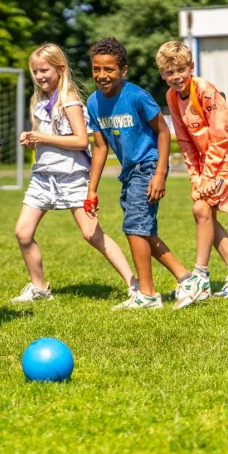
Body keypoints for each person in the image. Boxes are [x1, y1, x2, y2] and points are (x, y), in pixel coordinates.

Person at [11, 43, 135, 304]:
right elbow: (46, 138)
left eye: (44, 70)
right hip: (43, 177)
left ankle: (133, 284)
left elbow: (81, 141)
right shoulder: (39, 100)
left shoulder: (70, 100)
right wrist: (33, 139)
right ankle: (40, 287)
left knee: (92, 234)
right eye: (35, 71)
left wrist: (42, 136)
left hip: (73, 177)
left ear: (60, 69)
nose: (39, 76)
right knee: (23, 232)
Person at [85, 37, 192, 310]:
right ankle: (186, 279)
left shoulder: (136, 96)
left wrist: (160, 174)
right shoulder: (94, 103)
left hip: (148, 166)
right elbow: (100, 147)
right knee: (143, 231)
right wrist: (92, 189)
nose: (102, 75)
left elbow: (164, 132)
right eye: (96, 69)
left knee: (134, 228)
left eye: (109, 69)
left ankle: (148, 294)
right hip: (129, 172)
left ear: (123, 70)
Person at [156, 40, 228, 309]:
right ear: (162, 75)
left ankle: (200, 277)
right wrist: (195, 178)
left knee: (201, 209)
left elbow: (220, 136)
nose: (176, 77)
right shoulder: (171, 97)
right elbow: (186, 141)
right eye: (169, 73)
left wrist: (208, 176)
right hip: (206, 164)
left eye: (180, 69)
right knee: (204, 213)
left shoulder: (204, 90)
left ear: (191, 67)